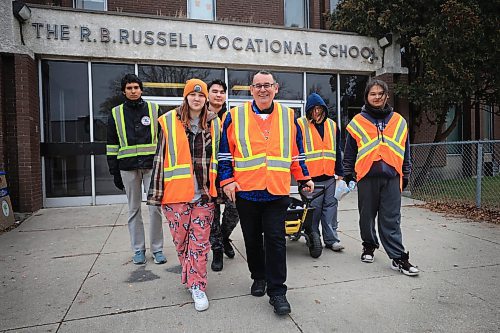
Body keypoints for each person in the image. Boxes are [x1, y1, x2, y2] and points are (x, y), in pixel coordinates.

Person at [219, 70, 314, 315]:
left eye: (267, 85)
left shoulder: (289, 116)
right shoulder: (234, 116)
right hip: (246, 192)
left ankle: (278, 291)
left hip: (276, 192)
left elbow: (297, 152)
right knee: (251, 240)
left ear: (276, 88)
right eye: (258, 85)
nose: (263, 89)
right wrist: (227, 180)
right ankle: (258, 277)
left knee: (275, 241)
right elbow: (225, 154)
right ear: (251, 90)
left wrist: (304, 177)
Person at [147, 78, 220, 312]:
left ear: (206, 98)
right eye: (193, 94)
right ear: (186, 97)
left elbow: (221, 158)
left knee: (199, 244)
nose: (197, 98)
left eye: (201, 95)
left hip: (204, 197)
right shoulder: (169, 121)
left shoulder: (215, 123)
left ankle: (197, 285)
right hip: (176, 196)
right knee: (182, 244)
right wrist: (156, 195)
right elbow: (160, 159)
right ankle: (190, 277)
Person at [343, 79, 419, 276]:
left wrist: (407, 172)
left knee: (391, 219)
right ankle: (369, 245)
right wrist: (348, 173)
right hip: (366, 177)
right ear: (367, 97)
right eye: (372, 94)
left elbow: (406, 149)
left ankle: (398, 257)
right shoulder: (357, 122)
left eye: (380, 94)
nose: (376, 97)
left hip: (392, 177)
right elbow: (350, 151)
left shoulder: (399, 121)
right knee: (366, 217)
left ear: (386, 96)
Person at [106, 73, 166, 265]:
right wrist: (114, 172)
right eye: (129, 88)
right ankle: (138, 250)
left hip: (151, 167)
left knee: (155, 208)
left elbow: (163, 140)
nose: (133, 91)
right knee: (133, 210)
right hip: (127, 167)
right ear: (124, 91)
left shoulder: (154, 109)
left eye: (136, 87)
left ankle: (157, 249)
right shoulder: (115, 113)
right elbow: (111, 144)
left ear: (141, 89)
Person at [297, 93, 345, 252]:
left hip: (330, 176)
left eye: (319, 109)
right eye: (313, 109)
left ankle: (332, 240)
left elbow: (337, 150)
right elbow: (297, 152)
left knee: (331, 208)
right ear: (308, 110)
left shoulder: (332, 125)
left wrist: (340, 172)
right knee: (314, 210)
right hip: (310, 178)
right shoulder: (300, 125)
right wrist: (302, 176)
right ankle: (313, 238)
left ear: (324, 109)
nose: (316, 112)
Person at [207, 79, 240, 272]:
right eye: (215, 91)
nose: (218, 94)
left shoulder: (233, 117)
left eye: (222, 92)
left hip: (229, 174)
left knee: (233, 211)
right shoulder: (202, 117)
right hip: (208, 174)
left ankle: (225, 237)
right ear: (208, 94)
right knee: (211, 215)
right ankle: (217, 250)